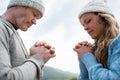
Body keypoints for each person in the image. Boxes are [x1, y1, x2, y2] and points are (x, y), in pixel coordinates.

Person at [0, 0, 56, 80]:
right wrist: (38, 59)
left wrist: (32, 57)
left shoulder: (12, 32)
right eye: (34, 14)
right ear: (18, 4)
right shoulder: (1, 28)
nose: (35, 22)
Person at [73, 0, 120, 80]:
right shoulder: (98, 50)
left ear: (103, 18)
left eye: (88, 21)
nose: (85, 28)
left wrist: (87, 57)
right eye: (83, 25)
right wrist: (83, 59)